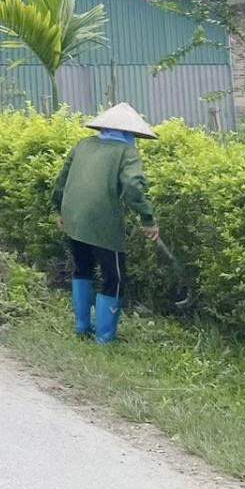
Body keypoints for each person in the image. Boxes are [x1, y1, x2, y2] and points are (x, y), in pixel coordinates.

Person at [54, 102, 160, 344]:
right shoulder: (127, 152)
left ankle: (82, 327)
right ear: (131, 133)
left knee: (82, 267)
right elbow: (133, 186)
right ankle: (105, 338)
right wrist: (147, 219)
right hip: (102, 222)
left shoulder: (83, 145)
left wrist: (59, 209)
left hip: (74, 216)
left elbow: (61, 179)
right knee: (115, 276)